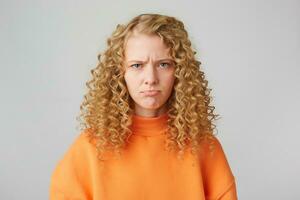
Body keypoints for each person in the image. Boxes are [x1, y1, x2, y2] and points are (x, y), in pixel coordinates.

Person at [50, 13, 238, 200]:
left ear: (180, 72)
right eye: (137, 65)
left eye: (163, 64)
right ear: (119, 73)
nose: (151, 79)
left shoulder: (204, 147)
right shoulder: (91, 147)